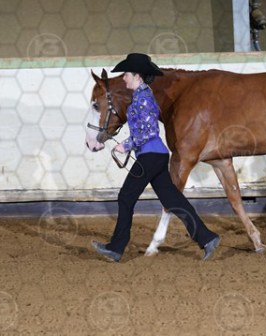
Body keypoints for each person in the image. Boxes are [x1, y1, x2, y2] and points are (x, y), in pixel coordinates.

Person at [91, 53, 220, 262]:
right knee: (173, 199)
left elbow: (150, 131)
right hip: (155, 155)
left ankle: (116, 248)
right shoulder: (141, 96)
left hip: (150, 156)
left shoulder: (143, 98)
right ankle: (207, 238)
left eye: (126, 74)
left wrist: (127, 145)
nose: (124, 78)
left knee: (125, 197)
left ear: (137, 76)